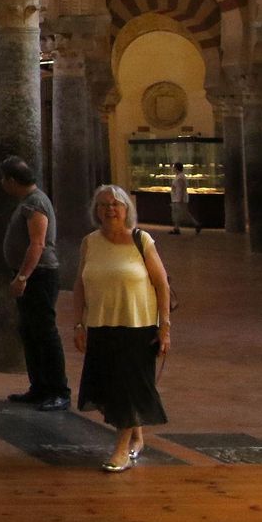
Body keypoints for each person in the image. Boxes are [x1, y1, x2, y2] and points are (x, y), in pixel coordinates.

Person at [74, 184, 172, 472]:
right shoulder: (90, 242)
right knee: (107, 385)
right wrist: (79, 324)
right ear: (96, 211)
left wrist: (164, 326)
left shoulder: (142, 241)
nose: (110, 210)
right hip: (102, 325)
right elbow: (80, 283)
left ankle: (121, 450)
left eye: (116, 204)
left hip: (137, 326)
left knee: (127, 387)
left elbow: (162, 284)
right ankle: (136, 436)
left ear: (127, 209)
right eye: (104, 205)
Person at [1, 156, 71, 411]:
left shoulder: (36, 203)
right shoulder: (29, 201)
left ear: (11, 180)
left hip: (40, 276)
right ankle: (40, 387)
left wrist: (23, 277)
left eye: (3, 179)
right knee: (30, 332)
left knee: (44, 332)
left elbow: (38, 243)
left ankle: (59, 390)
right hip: (33, 275)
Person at [169, 162, 201, 235]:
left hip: (179, 199)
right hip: (176, 198)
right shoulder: (179, 176)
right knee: (177, 214)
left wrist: (180, 199)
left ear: (176, 168)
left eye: (174, 167)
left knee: (184, 214)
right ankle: (176, 228)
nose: (173, 169)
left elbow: (180, 189)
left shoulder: (180, 177)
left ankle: (196, 224)